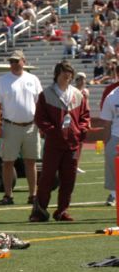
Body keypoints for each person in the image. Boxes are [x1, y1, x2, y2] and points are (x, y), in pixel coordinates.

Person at [30, 61, 89, 222]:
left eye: (70, 74)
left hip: (72, 144)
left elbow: (85, 117)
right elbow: (40, 118)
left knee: (69, 179)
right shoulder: (46, 94)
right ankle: (39, 211)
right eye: (65, 74)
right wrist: (52, 131)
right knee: (47, 178)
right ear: (57, 74)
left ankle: (62, 211)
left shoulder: (78, 94)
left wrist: (79, 131)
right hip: (54, 144)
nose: (68, 77)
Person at [0, 50, 43, 206]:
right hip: (10, 125)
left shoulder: (33, 79)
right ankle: (8, 195)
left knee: (31, 161)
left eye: (17, 61)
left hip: (31, 125)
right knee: (7, 162)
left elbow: (40, 103)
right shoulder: (2, 81)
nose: (14, 64)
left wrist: (41, 123)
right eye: (11, 62)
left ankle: (33, 195)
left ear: (24, 61)